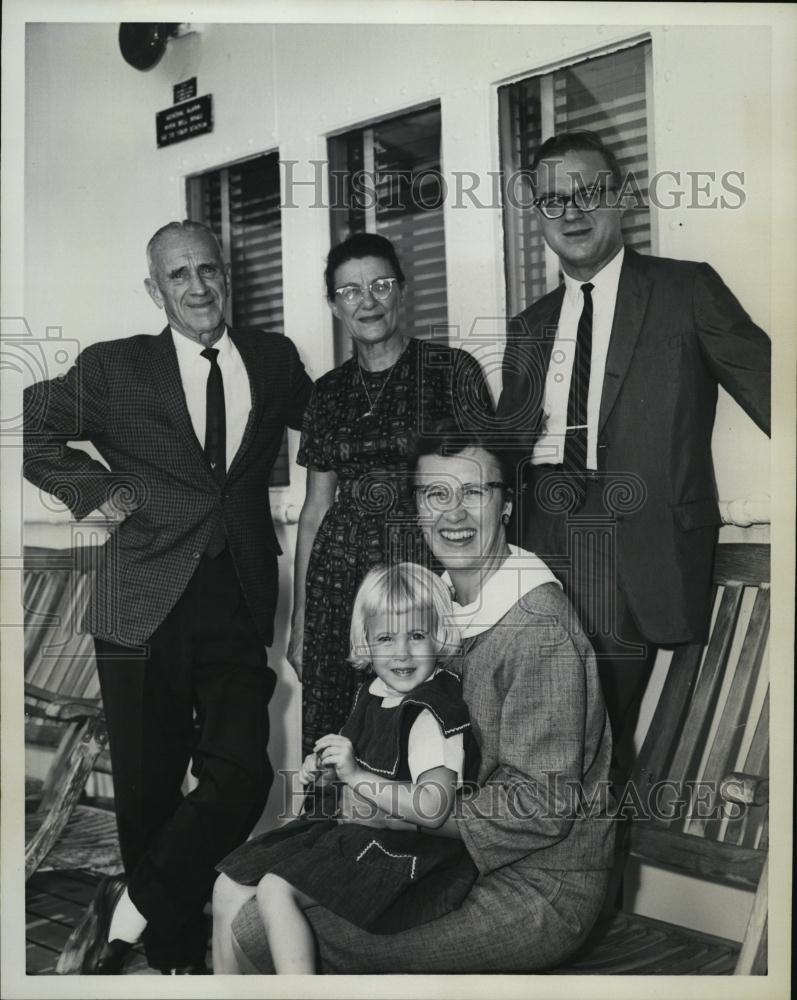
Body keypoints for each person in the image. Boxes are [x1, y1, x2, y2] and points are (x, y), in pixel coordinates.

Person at [22, 220, 313, 975]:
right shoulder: (117, 367)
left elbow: (330, 429)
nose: (197, 286)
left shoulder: (274, 359)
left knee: (241, 772)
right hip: (140, 597)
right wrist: (100, 492)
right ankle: (175, 955)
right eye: (178, 275)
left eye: (208, 270)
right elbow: (28, 424)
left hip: (239, 591)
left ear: (228, 277)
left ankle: (131, 909)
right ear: (156, 289)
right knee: (149, 791)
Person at [226, 423, 614, 973]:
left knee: (261, 926)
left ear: (505, 505)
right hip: (443, 856)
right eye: (437, 494)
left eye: (475, 493)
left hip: (535, 888)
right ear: (418, 507)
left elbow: (538, 808)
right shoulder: (437, 605)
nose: (454, 515)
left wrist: (396, 809)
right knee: (247, 889)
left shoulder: (538, 628)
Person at [495, 129, 771, 781]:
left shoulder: (685, 292)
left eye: (588, 191)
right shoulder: (529, 326)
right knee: (537, 748)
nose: (571, 211)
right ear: (536, 215)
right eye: (553, 199)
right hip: (543, 554)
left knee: (586, 752)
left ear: (620, 197)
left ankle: (578, 880)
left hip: (634, 551)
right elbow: (498, 452)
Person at [212, 562, 480, 973]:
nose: (401, 652)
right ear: (366, 643)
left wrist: (355, 776)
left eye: (417, 636)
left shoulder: (430, 712)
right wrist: (327, 774)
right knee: (227, 884)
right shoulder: (374, 692)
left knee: (275, 890)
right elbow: (359, 771)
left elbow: (433, 807)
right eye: (386, 638)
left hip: (415, 856)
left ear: (439, 636)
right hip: (360, 831)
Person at [290, 232, 493, 756]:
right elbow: (315, 511)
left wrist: (478, 598)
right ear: (335, 305)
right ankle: (334, 836)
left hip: (421, 572)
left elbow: (482, 494)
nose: (368, 300)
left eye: (380, 284)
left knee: (423, 728)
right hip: (337, 583)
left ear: (402, 291)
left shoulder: (450, 372)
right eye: (350, 291)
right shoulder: (326, 393)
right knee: (336, 730)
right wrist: (300, 624)